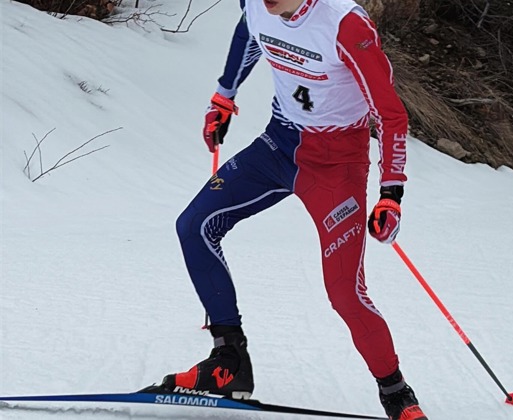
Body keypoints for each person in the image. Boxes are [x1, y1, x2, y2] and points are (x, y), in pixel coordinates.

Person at [143, 1, 427, 419]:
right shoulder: (259, 6)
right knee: (194, 225)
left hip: (336, 166)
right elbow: (249, 36)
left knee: (345, 291)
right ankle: (229, 362)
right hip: (278, 146)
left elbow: (389, 114)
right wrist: (224, 96)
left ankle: (396, 393)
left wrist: (391, 194)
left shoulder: (345, 24)